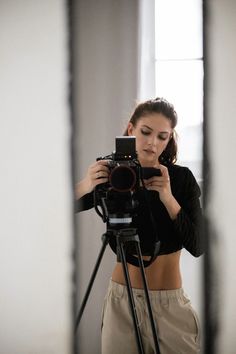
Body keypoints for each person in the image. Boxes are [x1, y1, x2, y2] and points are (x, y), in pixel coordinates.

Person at [75, 97, 204, 354]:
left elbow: (198, 246)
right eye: (146, 132)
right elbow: (53, 213)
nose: (152, 142)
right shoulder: (112, 175)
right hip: (122, 302)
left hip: (170, 305)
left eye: (162, 136)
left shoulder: (180, 179)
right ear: (132, 129)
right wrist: (86, 184)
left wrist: (167, 197)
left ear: (169, 140)